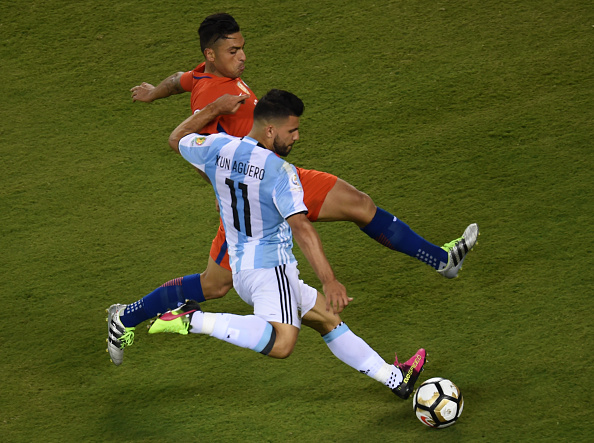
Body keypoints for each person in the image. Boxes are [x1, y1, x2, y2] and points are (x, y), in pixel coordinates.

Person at [107, 13, 478, 366]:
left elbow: (180, 79)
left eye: (242, 47)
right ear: (211, 54)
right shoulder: (211, 96)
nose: (243, 57)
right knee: (216, 284)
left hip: (280, 178)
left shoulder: (205, 74)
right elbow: (195, 150)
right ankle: (126, 317)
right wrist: (235, 187)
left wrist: (154, 92)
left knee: (359, 204)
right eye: (233, 51)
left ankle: (441, 260)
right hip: (255, 200)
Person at [145, 89, 427, 399]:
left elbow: (177, 139)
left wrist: (212, 110)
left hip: (242, 270)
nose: (297, 137)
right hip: (270, 268)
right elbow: (302, 229)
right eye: (292, 130)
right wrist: (329, 280)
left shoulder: (219, 147)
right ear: (270, 129)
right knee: (282, 344)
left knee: (327, 320)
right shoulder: (280, 172)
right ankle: (192, 319)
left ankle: (395, 379)